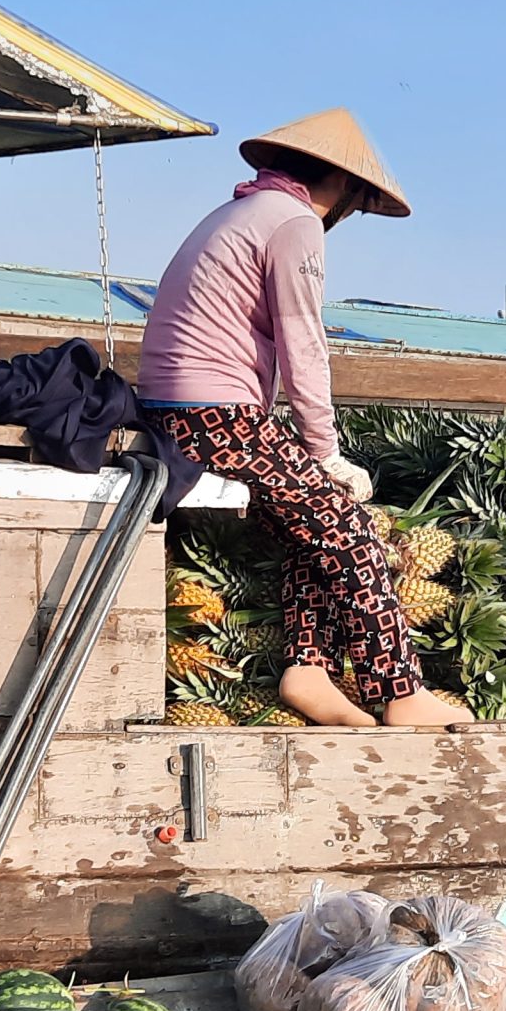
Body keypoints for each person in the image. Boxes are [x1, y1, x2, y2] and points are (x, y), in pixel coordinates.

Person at [138, 108, 471, 729]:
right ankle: (399, 691)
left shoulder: (241, 210)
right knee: (352, 532)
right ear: (340, 184)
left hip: (177, 409)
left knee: (308, 523)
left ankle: (308, 669)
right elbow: (304, 342)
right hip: (215, 413)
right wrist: (325, 450)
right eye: (354, 199)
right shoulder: (294, 222)